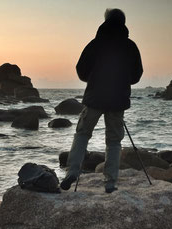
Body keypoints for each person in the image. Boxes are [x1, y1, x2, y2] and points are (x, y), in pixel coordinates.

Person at [60, 8, 143, 193]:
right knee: (113, 141)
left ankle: (72, 172)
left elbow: (81, 69)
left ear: (106, 21)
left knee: (82, 134)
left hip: (95, 97)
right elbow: (137, 74)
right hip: (117, 100)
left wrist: (94, 78)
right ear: (123, 23)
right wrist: (122, 80)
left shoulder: (95, 44)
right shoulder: (130, 46)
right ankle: (110, 182)